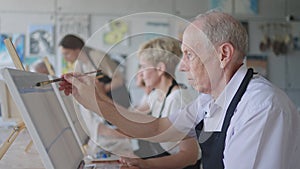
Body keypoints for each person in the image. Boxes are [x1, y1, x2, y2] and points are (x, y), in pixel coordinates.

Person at [59, 10, 300, 169]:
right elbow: (156, 127)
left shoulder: (259, 107)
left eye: (189, 55)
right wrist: (97, 100)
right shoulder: (209, 101)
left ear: (223, 54)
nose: (182, 67)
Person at [125, 37, 201, 169]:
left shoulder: (178, 100)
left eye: (143, 67)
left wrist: (146, 165)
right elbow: (131, 116)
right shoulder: (157, 95)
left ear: (160, 69)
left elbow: (190, 155)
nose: (140, 74)